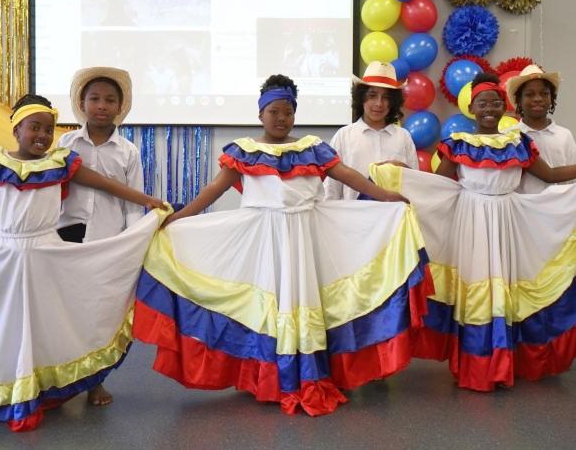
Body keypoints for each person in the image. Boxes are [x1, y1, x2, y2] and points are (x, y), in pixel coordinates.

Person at [133, 74, 434, 416]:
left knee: (303, 299)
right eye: (274, 111)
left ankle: (307, 371)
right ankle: (269, 374)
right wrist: (180, 217)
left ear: (295, 114)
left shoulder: (310, 148)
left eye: (287, 112)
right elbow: (212, 190)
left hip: (305, 236)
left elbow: (348, 175)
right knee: (269, 305)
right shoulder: (245, 152)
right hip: (263, 241)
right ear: (261, 113)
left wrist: (385, 197)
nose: (281, 118)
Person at [0, 95, 168, 431]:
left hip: (46, 259)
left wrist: (148, 201)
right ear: (17, 128)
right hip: (2, 259)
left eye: (48, 129)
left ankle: (50, 385)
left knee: (53, 325)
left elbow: (109, 186)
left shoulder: (60, 165)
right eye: (34, 127)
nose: (42, 135)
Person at [369, 72, 576, 392]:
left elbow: (549, 175)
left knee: (503, 287)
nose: (490, 108)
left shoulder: (518, 143)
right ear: (472, 109)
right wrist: (405, 175)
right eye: (483, 103)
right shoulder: (457, 145)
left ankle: (503, 360)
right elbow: (439, 185)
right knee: (479, 287)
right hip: (472, 222)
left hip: (508, 220)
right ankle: (476, 364)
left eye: (495, 102)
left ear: (504, 107)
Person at [57, 67, 144, 406]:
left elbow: (133, 201)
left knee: (102, 315)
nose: (102, 106)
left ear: (120, 107)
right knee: (66, 311)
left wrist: (135, 241)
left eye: (110, 100)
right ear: (82, 103)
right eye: (94, 99)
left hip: (109, 242)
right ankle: (62, 381)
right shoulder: (66, 143)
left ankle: (96, 381)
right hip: (67, 238)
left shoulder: (128, 152)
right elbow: (52, 190)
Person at [324, 61, 418, 201]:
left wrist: (403, 169)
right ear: (361, 97)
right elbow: (331, 190)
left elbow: (415, 184)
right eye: (372, 95)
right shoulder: (344, 136)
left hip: (394, 217)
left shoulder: (403, 137)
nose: (379, 103)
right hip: (355, 218)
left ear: (393, 102)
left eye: (386, 97)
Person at [504, 64, 576, 193]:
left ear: (551, 98)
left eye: (544, 93)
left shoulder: (564, 135)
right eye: (529, 94)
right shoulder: (510, 136)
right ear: (519, 100)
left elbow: (572, 179)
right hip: (523, 209)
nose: (537, 99)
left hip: (558, 208)